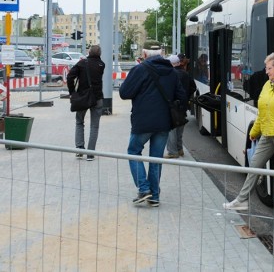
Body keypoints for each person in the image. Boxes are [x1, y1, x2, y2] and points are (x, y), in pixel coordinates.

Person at [223, 51, 274, 210]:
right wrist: (254, 131)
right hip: (267, 133)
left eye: (269, 68)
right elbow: (262, 112)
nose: (266, 71)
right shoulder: (267, 84)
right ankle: (242, 200)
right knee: (254, 165)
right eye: (266, 68)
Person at [120, 39, 186, 207]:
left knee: (133, 152)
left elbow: (124, 93)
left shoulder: (140, 69)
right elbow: (182, 96)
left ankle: (143, 189)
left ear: (144, 54)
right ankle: (154, 196)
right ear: (162, 53)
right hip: (164, 123)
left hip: (143, 122)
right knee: (156, 159)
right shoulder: (171, 71)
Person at [67, 45, 106, 161]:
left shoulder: (81, 63)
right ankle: (90, 154)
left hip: (82, 98)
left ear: (89, 52)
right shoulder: (102, 65)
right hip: (97, 98)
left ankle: (79, 150)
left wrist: (72, 92)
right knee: (94, 126)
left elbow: (70, 76)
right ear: (100, 54)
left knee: (79, 122)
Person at [165, 54, 196, 158]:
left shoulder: (171, 74)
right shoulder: (186, 73)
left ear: (171, 64)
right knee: (180, 127)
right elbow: (193, 87)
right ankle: (180, 149)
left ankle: (173, 152)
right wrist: (186, 96)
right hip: (183, 104)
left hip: (173, 105)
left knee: (172, 129)